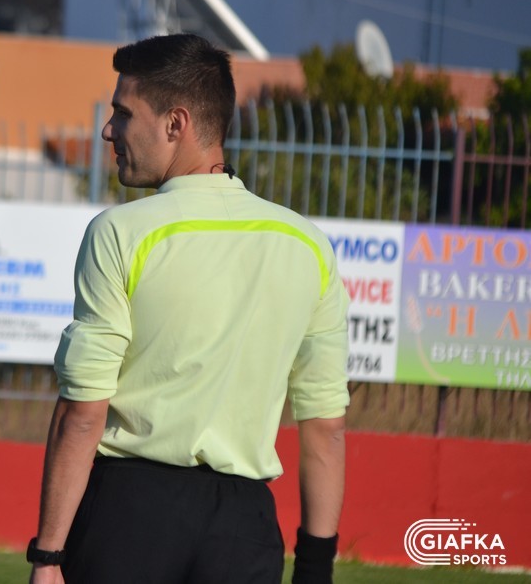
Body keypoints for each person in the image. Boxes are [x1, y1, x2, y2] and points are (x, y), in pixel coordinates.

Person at [26, 34, 350, 584]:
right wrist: (315, 568)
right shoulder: (307, 244)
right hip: (246, 528)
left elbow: (83, 413)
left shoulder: (121, 232)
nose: (109, 130)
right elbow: (326, 426)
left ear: (175, 123)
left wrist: (48, 556)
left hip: (129, 515)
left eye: (123, 113)